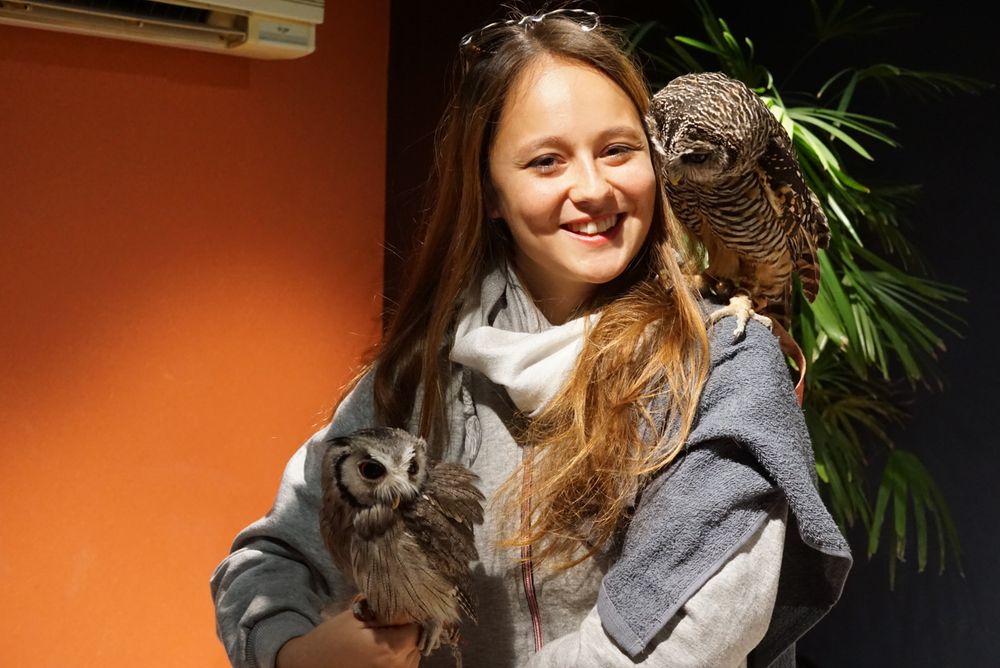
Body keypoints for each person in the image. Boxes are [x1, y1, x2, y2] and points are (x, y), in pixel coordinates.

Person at [210, 7, 852, 668]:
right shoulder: (429, 372)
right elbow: (274, 555)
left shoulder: (723, 364)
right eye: (547, 161)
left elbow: (674, 644)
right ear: (490, 192)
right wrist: (292, 652)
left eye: (617, 150)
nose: (593, 188)